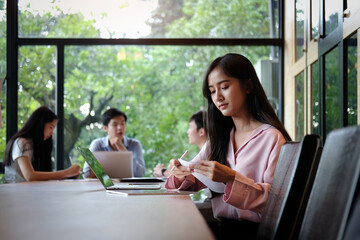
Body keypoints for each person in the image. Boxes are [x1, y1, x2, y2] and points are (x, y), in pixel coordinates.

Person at [165, 53, 291, 239]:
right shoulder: (218, 140)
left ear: (248, 86)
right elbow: (191, 180)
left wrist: (231, 178)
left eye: (224, 87)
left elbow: (276, 203)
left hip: (256, 234)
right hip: (222, 228)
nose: (218, 98)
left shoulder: (271, 138)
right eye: (213, 91)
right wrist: (179, 173)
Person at [3, 106, 81, 183]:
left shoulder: (36, 145)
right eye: (51, 127)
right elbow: (30, 176)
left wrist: (67, 176)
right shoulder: (21, 142)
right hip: (16, 192)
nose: (51, 133)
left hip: (30, 191)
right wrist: (67, 173)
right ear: (40, 124)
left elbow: (40, 176)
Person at [83, 108, 145, 178]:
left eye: (122, 123)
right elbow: (86, 174)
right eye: (115, 125)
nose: (120, 127)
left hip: (128, 186)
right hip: (103, 187)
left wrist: (122, 149)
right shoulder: (97, 144)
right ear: (105, 128)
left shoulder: (134, 144)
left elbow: (140, 174)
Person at [152, 110, 207, 178]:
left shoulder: (207, 153)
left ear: (201, 132)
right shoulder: (204, 152)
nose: (188, 132)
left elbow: (187, 176)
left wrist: (163, 171)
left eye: (190, 127)